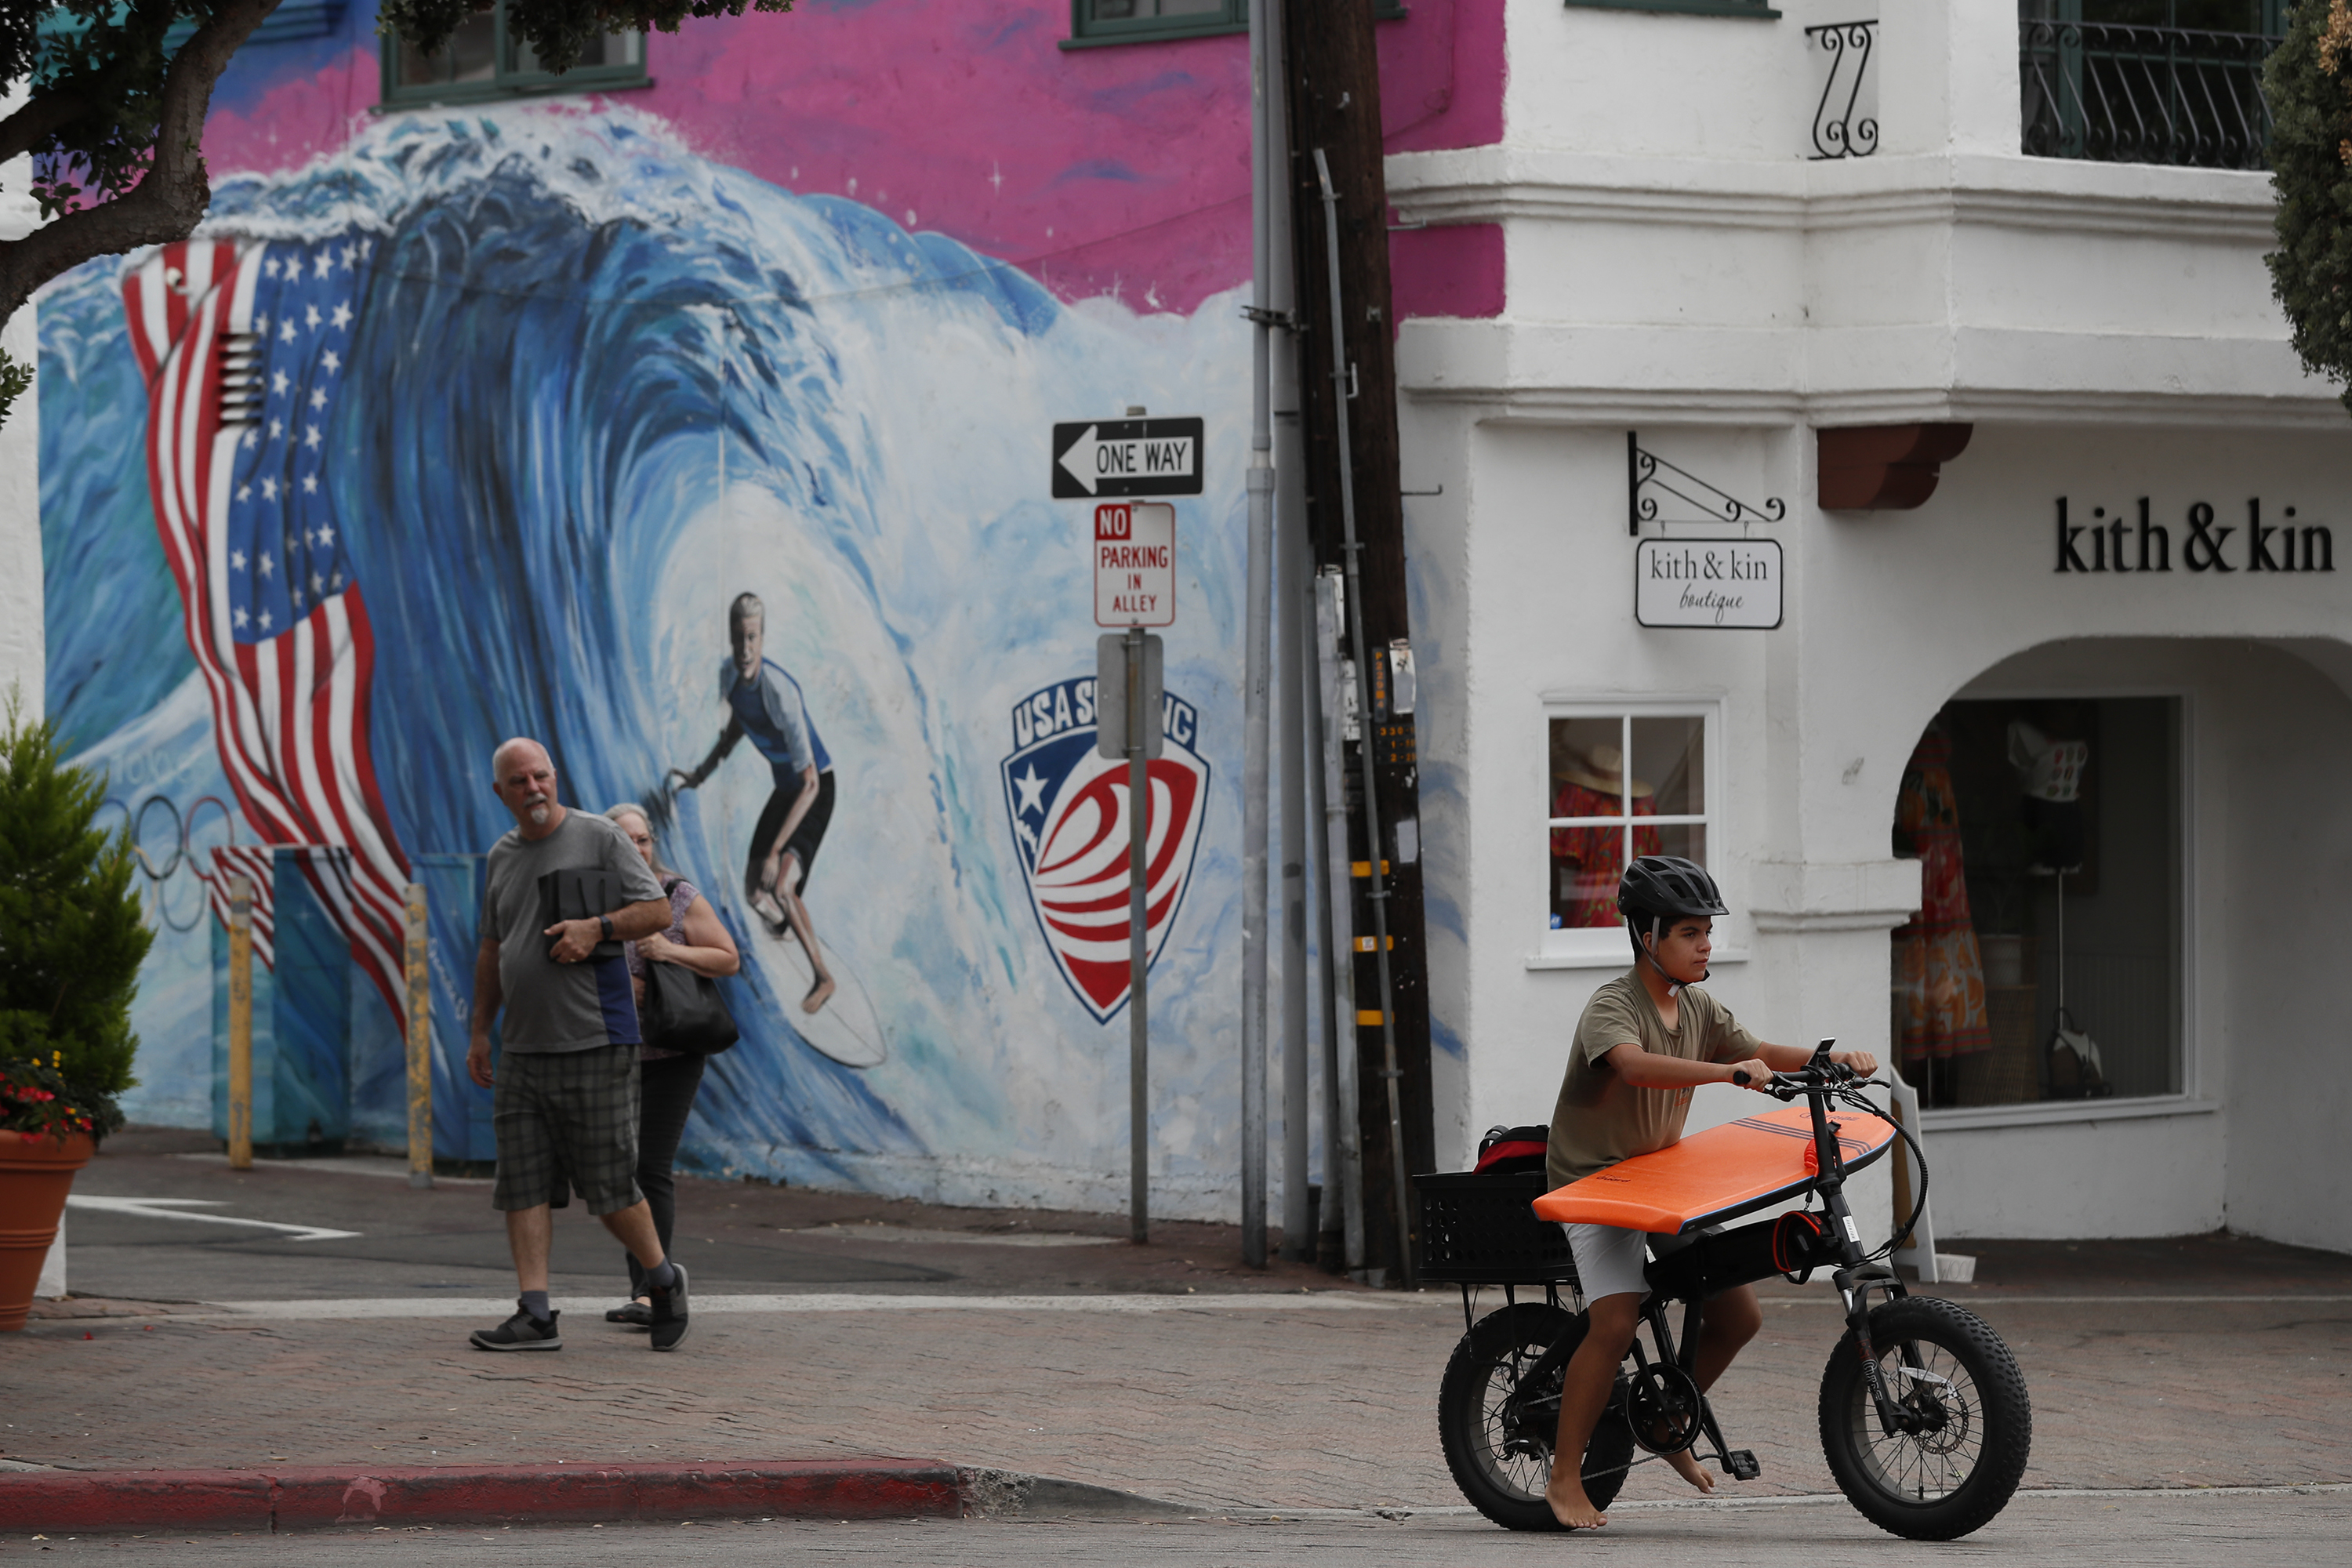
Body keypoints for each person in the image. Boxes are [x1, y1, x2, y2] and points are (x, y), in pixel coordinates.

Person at [1542, 855, 1878, 1530]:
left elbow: (1757, 1048)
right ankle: (1564, 1476)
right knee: (1613, 1322)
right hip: (1594, 1183)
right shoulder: (1614, 1004)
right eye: (1690, 933)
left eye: (1708, 932)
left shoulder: (1697, 1003)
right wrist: (1728, 1074)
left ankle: (1664, 1421)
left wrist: (1827, 1060)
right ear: (1648, 937)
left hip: (1657, 1181)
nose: (1706, 945)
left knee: (1739, 1316)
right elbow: (1633, 1066)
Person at [466, 738, 693, 1353]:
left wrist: (598, 927)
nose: (533, 789)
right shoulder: (502, 856)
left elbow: (653, 909)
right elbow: (493, 948)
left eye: (541, 776)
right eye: (519, 781)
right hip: (525, 1049)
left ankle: (663, 1278)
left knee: (610, 1186)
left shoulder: (599, 838)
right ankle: (535, 1313)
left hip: (596, 1039)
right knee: (524, 1182)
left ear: (555, 778)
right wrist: (481, 1030)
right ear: (501, 793)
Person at [601, 804, 741, 1328]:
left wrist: (666, 952)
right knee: (616, 1170)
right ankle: (647, 1283)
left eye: (643, 839)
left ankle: (650, 1292)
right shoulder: (597, 903)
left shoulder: (677, 896)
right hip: (613, 1055)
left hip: (672, 1054)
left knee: (649, 1167)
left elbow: (727, 958)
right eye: (626, 841)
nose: (637, 849)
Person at [671, 592, 837, 1014]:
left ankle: (822, 975)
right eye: (738, 637)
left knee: (779, 883)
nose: (745, 649)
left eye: (753, 638)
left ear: (762, 638)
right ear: (730, 637)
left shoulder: (781, 693)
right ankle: (784, 922)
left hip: (814, 790)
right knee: (752, 891)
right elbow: (734, 734)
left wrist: (778, 850)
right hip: (786, 791)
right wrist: (700, 775)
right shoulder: (729, 677)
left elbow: (811, 783)